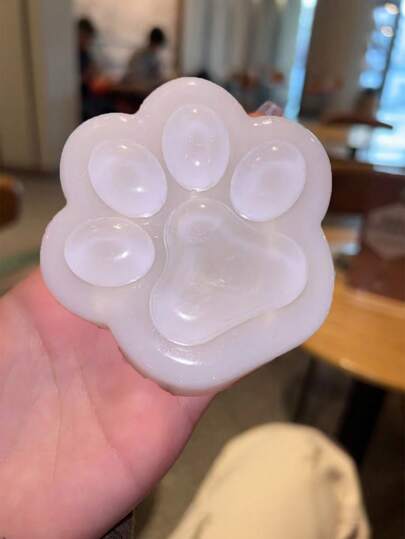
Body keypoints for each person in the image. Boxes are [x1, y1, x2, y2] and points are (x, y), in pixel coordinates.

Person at [121, 27, 168, 94]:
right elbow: (138, 80)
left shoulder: (152, 56)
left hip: (140, 89)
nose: (158, 49)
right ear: (157, 43)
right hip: (136, 91)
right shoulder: (142, 56)